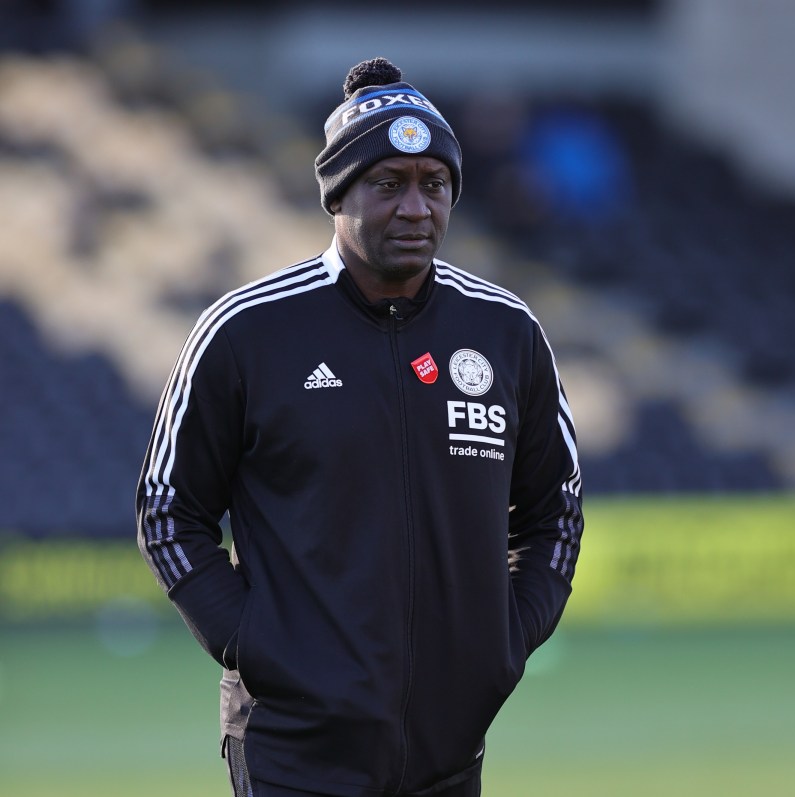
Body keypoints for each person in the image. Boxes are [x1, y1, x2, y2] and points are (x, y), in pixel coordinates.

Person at [136, 57, 583, 797]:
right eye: (388, 184)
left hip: (448, 751)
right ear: (338, 195)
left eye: (433, 185)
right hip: (294, 751)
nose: (415, 207)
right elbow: (167, 512)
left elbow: (554, 513)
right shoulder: (248, 331)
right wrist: (255, 643)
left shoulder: (506, 332)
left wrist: (504, 639)